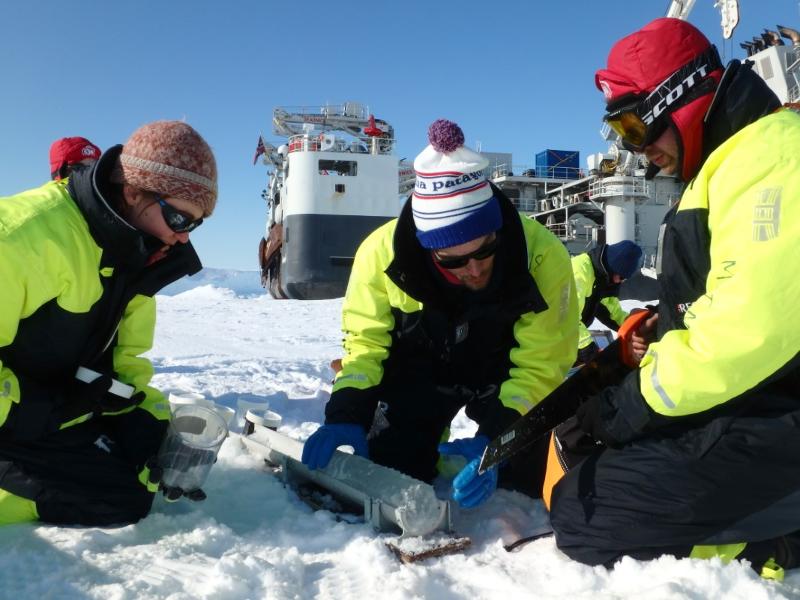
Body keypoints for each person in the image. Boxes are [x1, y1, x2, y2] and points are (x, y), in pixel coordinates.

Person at [548, 18, 800, 578]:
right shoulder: (726, 164)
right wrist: (654, 336)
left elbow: (744, 332)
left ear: (683, 98)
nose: (636, 153)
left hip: (779, 413)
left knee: (587, 516)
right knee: (584, 464)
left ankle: (778, 546)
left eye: (637, 130)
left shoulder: (776, 158)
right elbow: (718, 300)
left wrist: (631, 406)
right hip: (757, 402)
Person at [301, 119, 578, 507]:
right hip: (422, 370)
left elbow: (541, 363)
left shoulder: (543, 256)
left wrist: (497, 440)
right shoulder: (379, 256)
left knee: (527, 476)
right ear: (428, 248)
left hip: (500, 370)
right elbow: (365, 346)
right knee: (395, 464)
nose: (476, 268)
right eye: (454, 260)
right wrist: (347, 413)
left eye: (485, 249)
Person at [0, 120, 218, 526]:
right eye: (179, 219)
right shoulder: (17, 238)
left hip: (50, 413)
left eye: (195, 223)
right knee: (113, 499)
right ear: (133, 190)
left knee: (138, 482)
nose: (184, 237)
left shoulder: (135, 255)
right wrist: (24, 410)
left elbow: (126, 359)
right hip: (15, 418)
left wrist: (141, 416)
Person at [572, 240, 642, 364]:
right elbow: (567, 315)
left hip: (565, 340)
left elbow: (612, 312)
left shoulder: (603, 278)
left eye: (624, 279)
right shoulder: (579, 271)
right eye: (620, 277)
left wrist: (635, 326)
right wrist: (586, 347)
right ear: (612, 267)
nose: (619, 282)